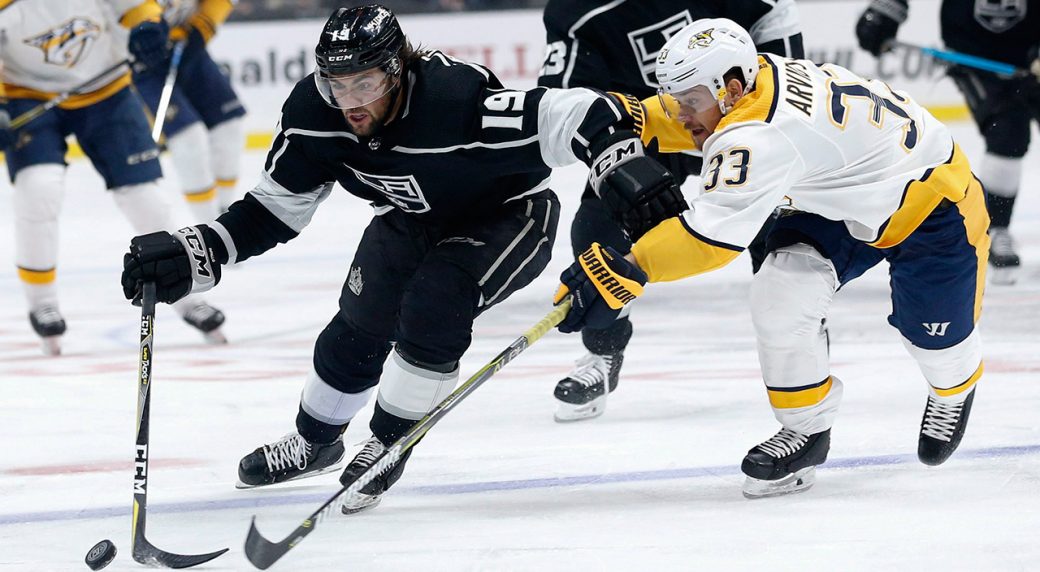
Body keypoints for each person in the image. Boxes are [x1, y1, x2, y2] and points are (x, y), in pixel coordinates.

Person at [120, 5, 683, 513]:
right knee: (356, 324)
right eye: (337, 83)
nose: (351, 102)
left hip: (509, 217)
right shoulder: (313, 113)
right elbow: (273, 210)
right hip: (412, 218)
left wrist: (618, 162)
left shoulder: (455, 100)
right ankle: (316, 442)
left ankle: (391, 441)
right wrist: (195, 251)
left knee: (435, 302)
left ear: (397, 70)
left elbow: (575, 110)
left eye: (365, 82)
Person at [554, 18, 987, 498]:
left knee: (936, 345)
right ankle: (807, 429)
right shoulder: (753, 78)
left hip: (932, 205)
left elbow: (709, 239)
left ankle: (952, 389)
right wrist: (624, 114)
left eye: (689, 101)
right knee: (780, 293)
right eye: (675, 99)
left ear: (731, 90)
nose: (680, 114)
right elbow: (678, 118)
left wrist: (629, 269)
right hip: (838, 198)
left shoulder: (760, 134)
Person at [538, 0, 804, 422]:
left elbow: (774, 11)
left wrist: (778, 92)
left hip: (742, 115)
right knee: (596, 223)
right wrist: (608, 140)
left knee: (779, 229)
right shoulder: (574, 11)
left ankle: (802, 352)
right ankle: (602, 352)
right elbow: (566, 100)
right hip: (657, 125)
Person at [0, 0, 227, 355]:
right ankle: (42, 302)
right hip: (25, 95)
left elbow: (139, 8)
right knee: (38, 187)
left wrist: (148, 26)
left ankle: (187, 293)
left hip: (108, 91)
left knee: (146, 199)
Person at [856, 0, 1039, 285]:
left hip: (1032, 47)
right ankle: (997, 229)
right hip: (972, 51)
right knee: (1007, 132)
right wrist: (886, 10)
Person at [134, 0, 247, 221]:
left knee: (229, 128)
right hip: (142, 58)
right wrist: (141, 30)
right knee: (188, 139)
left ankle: (226, 217)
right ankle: (208, 226)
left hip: (186, 42)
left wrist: (203, 26)